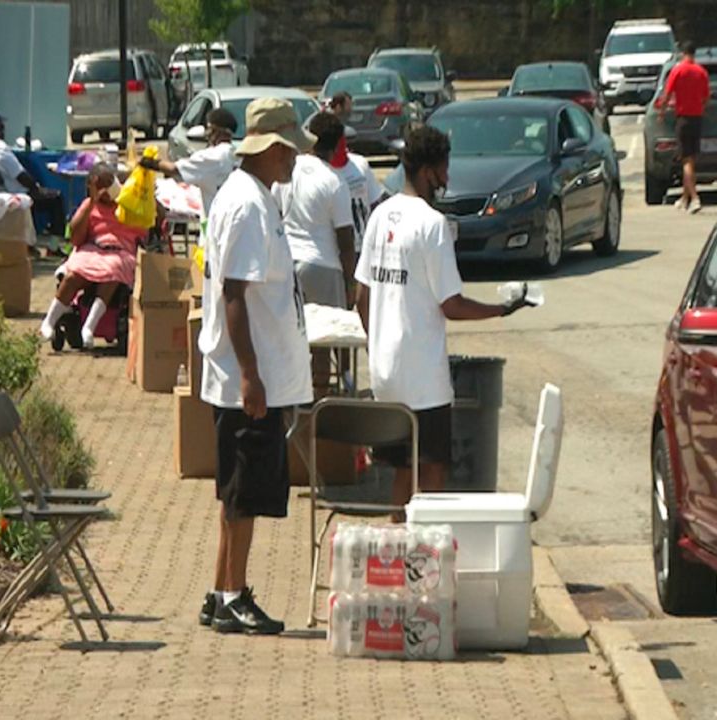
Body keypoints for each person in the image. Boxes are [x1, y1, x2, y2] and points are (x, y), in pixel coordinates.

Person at [355, 126, 533, 517]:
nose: (448, 179)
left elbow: (361, 297)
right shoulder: (432, 224)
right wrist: (501, 310)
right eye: (444, 169)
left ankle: (397, 542)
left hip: (385, 372)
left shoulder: (379, 215)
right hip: (423, 378)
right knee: (432, 467)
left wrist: (379, 343)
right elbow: (451, 305)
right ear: (427, 171)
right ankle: (421, 554)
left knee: (401, 465)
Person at [198, 97, 315, 635]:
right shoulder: (246, 206)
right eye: (290, 152)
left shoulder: (254, 197)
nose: (295, 162)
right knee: (243, 494)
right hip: (249, 379)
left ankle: (223, 589)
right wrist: (250, 375)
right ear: (270, 149)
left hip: (252, 374)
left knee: (235, 493)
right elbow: (234, 296)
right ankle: (232, 596)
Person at [274, 111, 355, 392]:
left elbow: (276, 212)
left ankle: (296, 397)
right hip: (323, 266)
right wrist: (350, 283)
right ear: (335, 147)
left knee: (294, 335)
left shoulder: (288, 171)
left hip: (289, 262)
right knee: (328, 338)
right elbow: (346, 239)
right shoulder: (334, 181)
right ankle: (327, 394)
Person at [38, 163, 146, 347]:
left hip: (120, 250)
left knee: (113, 269)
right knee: (73, 273)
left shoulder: (128, 202)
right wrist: (92, 203)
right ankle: (48, 321)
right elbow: (75, 237)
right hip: (93, 248)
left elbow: (147, 225)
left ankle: (89, 326)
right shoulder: (89, 205)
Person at [138, 107, 238, 224]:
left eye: (208, 129)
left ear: (215, 130)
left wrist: (149, 162)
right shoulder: (236, 154)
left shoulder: (211, 156)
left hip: (216, 223)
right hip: (235, 219)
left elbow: (174, 169)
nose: (206, 134)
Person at [655, 41, 710, 214]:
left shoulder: (677, 70)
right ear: (694, 53)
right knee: (691, 158)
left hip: (683, 118)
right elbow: (706, 97)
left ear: (682, 53)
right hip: (697, 118)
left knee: (686, 159)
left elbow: (667, 94)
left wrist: (662, 112)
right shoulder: (701, 72)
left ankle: (694, 198)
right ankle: (684, 198)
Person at [0, 112, 66, 244]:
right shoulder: (0, 148)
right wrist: (36, 187)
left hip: (3, 191)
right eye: (0, 127)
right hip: (16, 193)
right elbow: (20, 175)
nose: (3, 131)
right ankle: (54, 245)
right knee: (56, 198)